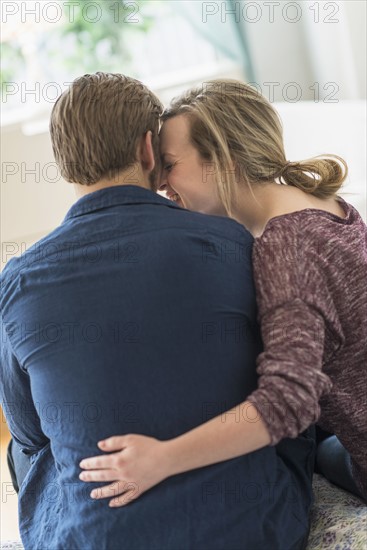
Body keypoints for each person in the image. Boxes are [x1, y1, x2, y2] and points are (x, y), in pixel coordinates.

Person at [0, 73, 315, 550]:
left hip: (100, 538)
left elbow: (29, 432)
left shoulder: (18, 281)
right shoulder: (231, 242)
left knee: (26, 449)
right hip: (258, 530)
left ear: (65, 166)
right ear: (149, 150)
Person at [79, 79, 367, 505]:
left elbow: (289, 401)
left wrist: (162, 459)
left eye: (170, 164)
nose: (159, 184)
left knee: (310, 450)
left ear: (226, 159)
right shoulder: (323, 203)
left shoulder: (286, 248)